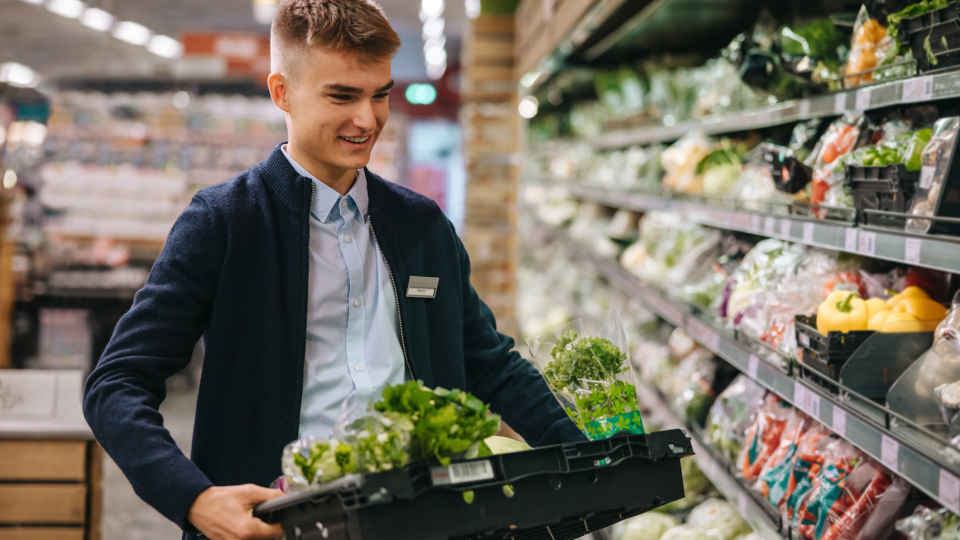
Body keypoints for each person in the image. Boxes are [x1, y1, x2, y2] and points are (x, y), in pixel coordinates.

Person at [82, 0, 584, 539]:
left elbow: (489, 365)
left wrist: (596, 457)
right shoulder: (225, 222)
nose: (367, 120)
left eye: (380, 95)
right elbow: (117, 383)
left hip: (422, 520)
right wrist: (195, 499)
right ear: (282, 93)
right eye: (342, 96)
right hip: (275, 526)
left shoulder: (422, 227)